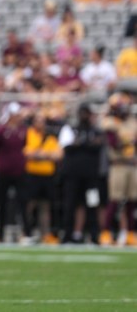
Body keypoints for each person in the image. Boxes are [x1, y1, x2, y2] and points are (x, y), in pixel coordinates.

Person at [59, 104, 105, 244]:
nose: (84, 116)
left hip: (91, 177)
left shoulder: (95, 131)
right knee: (70, 204)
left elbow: (97, 145)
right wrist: (84, 144)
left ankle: (94, 235)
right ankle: (68, 235)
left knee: (92, 203)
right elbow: (67, 146)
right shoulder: (70, 129)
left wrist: (81, 144)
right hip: (73, 176)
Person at [100, 96, 137, 246]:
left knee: (132, 201)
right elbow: (115, 143)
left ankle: (130, 233)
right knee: (115, 199)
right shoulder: (110, 122)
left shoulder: (132, 122)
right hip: (118, 165)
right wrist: (129, 141)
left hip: (132, 165)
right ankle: (106, 233)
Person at [0, 104, 29, 243]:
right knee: (1, 204)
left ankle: (26, 232)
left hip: (19, 171)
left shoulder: (22, 130)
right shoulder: (1, 130)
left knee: (23, 203)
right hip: (4, 172)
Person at [23, 114, 62, 244]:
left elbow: (58, 155)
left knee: (45, 205)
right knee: (30, 204)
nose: (40, 124)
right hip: (32, 175)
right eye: (37, 121)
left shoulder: (50, 137)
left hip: (47, 175)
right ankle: (27, 232)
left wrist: (40, 155)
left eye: (42, 121)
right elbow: (27, 153)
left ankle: (46, 234)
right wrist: (44, 155)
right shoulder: (28, 134)